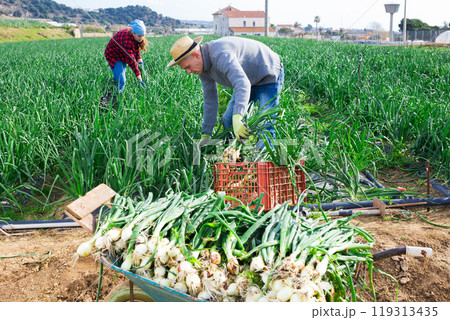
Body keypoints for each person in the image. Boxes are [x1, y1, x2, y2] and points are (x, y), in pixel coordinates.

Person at [167, 35, 284, 147]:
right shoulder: (202, 69)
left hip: (267, 72)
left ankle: (262, 160)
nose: (188, 72)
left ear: (196, 56)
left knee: (264, 124)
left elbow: (242, 83)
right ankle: (233, 154)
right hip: (247, 78)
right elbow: (210, 99)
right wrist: (206, 133)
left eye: (188, 67)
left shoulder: (220, 55)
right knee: (228, 120)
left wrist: (238, 116)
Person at [105, 19, 148, 92]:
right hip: (114, 55)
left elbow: (136, 52)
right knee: (121, 80)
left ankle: (116, 90)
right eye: (139, 36)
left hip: (122, 54)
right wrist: (139, 79)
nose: (141, 38)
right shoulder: (127, 39)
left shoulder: (135, 36)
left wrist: (141, 65)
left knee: (120, 75)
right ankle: (117, 98)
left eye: (143, 36)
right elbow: (132, 61)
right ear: (133, 33)